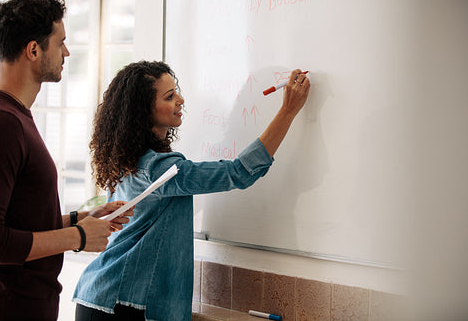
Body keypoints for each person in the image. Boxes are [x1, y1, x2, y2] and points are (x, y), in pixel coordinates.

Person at [72, 60, 310, 320]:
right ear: (143, 110)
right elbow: (238, 173)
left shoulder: (129, 160)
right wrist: (287, 111)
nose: (181, 100)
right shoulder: (160, 169)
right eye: (170, 96)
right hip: (121, 304)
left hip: (102, 296)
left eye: (177, 92)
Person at [0, 0, 133, 321]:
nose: (67, 52)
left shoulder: (12, 116)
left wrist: (83, 219)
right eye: (60, 42)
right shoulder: (0, 122)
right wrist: (77, 237)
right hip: (5, 310)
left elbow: (19, 226)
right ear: (33, 50)